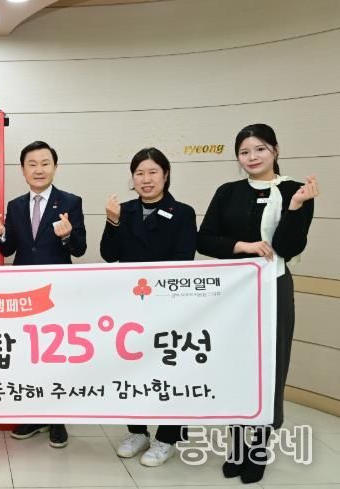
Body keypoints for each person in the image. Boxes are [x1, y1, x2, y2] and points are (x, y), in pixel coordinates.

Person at [198, 123, 318, 484]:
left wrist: (294, 208)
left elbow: (288, 247)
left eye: (260, 149)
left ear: (275, 150)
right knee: (234, 365)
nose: (252, 157)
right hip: (234, 290)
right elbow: (205, 239)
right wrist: (243, 246)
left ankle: (260, 445)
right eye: (245, 151)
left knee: (272, 364)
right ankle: (236, 443)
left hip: (274, 286)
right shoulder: (228, 192)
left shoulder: (296, 190)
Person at [100, 147, 196, 467]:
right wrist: (112, 222)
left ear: (166, 174)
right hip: (131, 305)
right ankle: (137, 431)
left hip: (167, 305)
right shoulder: (123, 210)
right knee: (133, 367)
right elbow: (109, 255)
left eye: (153, 172)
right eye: (139, 173)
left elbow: (183, 260)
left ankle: (167, 438)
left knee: (169, 369)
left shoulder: (182, 212)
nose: (146, 179)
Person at [0, 140, 86, 448]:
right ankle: (34, 415)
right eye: (32, 164)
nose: (39, 169)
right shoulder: (16, 206)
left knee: (54, 356)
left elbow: (80, 249)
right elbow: (10, 249)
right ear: (23, 170)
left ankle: (57, 419)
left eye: (45, 163)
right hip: (24, 292)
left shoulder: (70, 201)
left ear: (55, 167)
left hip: (57, 292)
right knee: (28, 355)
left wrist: (67, 236)